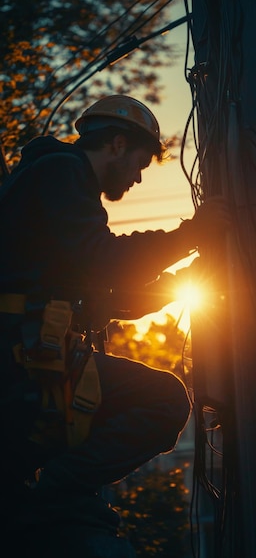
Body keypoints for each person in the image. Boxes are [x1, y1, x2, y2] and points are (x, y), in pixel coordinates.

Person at [0, 95, 230, 556]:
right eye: (141, 163)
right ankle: (56, 493)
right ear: (118, 145)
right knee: (163, 400)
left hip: (30, 361)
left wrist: (181, 282)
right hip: (18, 365)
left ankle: (46, 494)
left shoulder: (56, 185)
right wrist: (192, 235)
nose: (140, 176)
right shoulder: (61, 172)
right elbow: (105, 263)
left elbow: (100, 296)